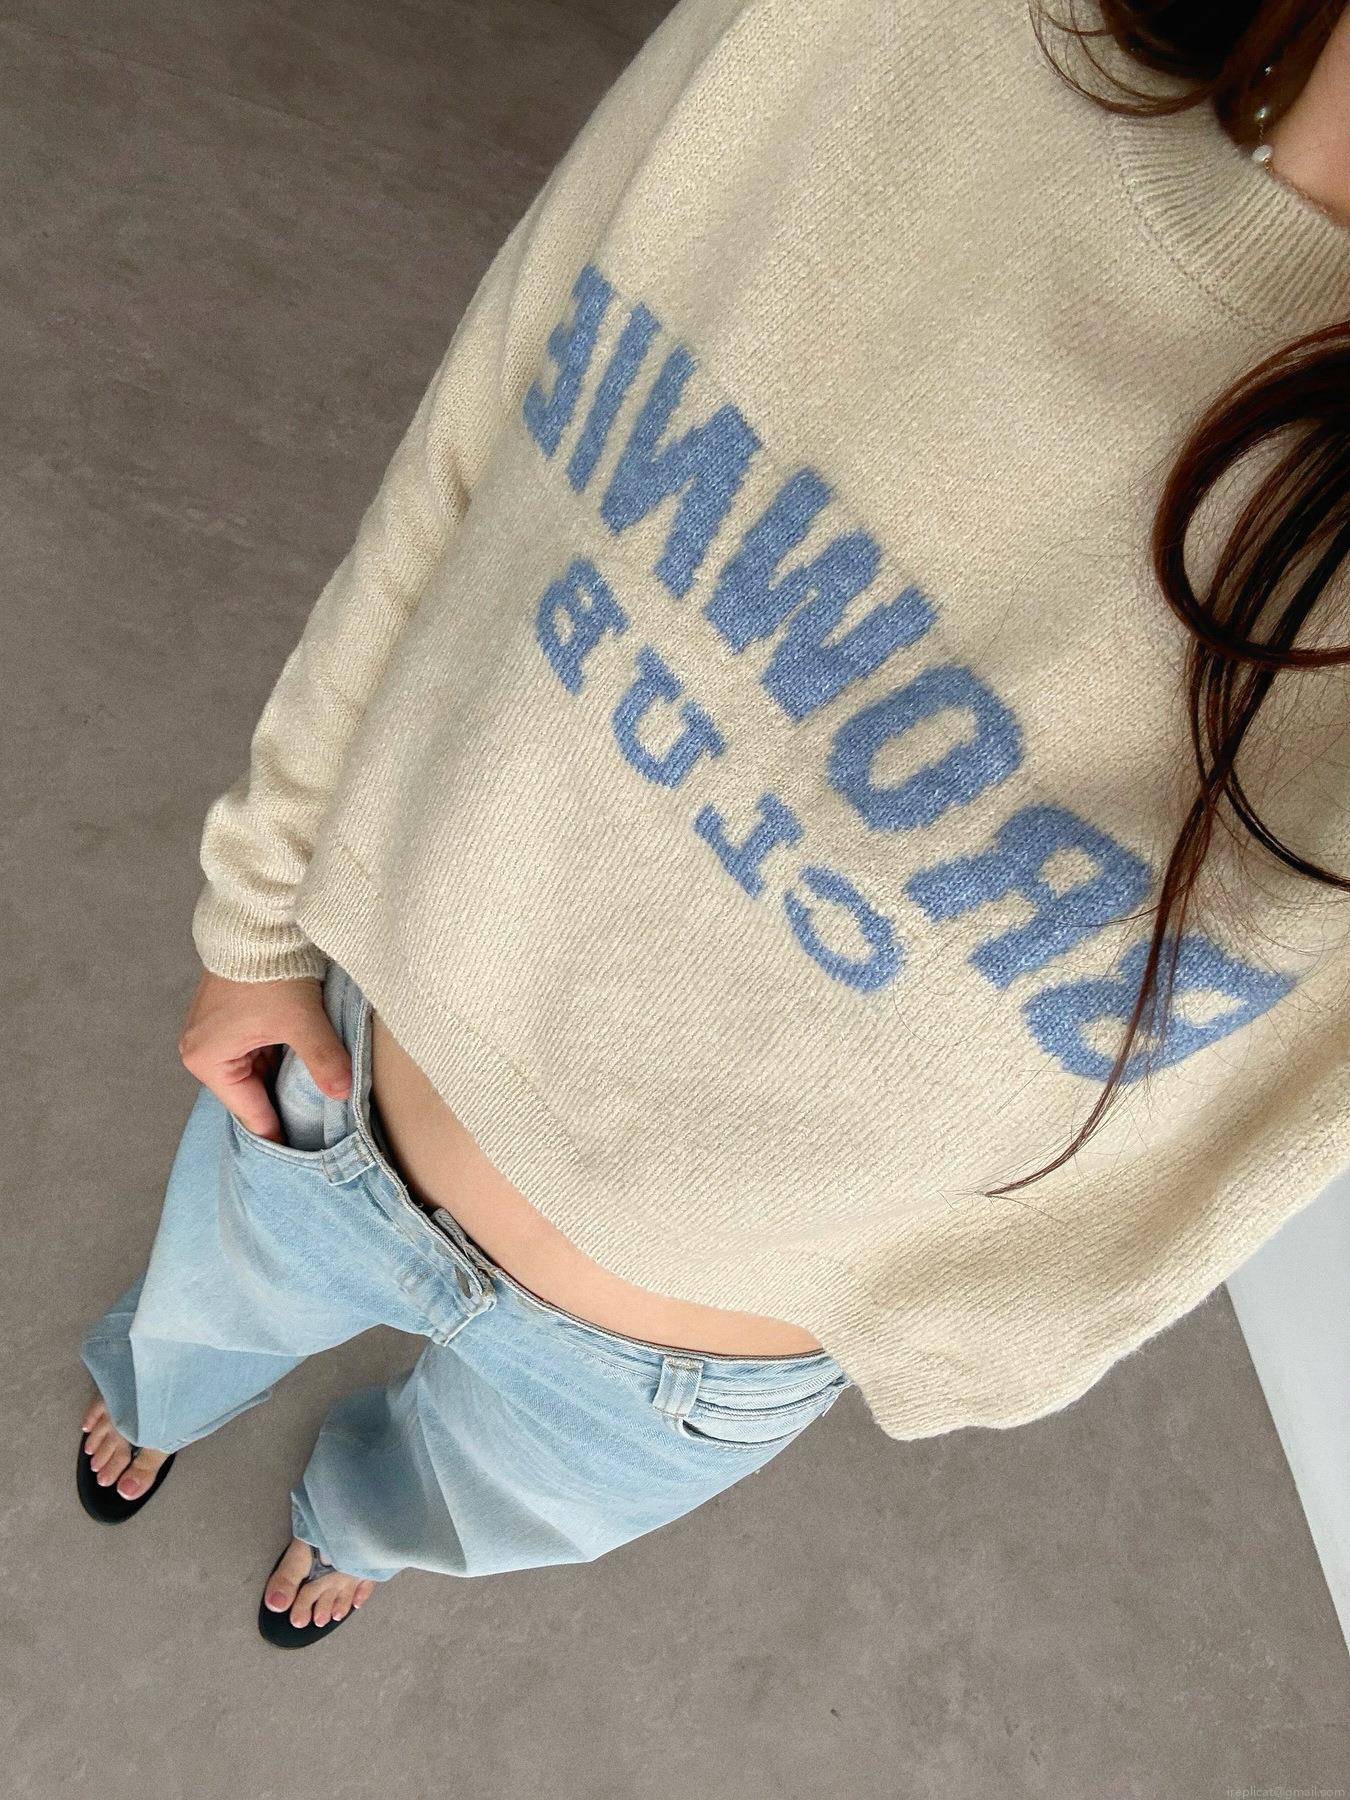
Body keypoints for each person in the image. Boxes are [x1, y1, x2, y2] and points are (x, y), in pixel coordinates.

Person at [78, 0, 1350, 1649]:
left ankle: (360, 1527)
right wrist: (257, 914)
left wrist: (971, 1341)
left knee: (453, 1509)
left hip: (674, 1373)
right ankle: (166, 1398)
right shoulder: (918, 35)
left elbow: (1273, 1122)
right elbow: (501, 406)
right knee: (191, 1326)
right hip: (335, 1102)